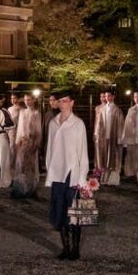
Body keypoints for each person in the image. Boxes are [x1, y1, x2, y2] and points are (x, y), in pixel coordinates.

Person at [46, 95, 89, 261]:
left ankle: (76, 249)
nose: (62, 103)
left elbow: (83, 151)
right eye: (60, 101)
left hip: (73, 172)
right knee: (60, 210)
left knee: (74, 212)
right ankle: (65, 248)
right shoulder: (53, 123)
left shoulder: (78, 124)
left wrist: (83, 178)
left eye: (65, 100)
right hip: (57, 172)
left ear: (72, 102)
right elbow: (50, 148)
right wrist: (49, 171)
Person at [10, 93, 43, 198]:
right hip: (22, 142)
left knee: (31, 167)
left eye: (29, 99)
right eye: (25, 100)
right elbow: (19, 128)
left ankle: (31, 189)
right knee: (20, 166)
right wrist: (17, 141)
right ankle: (20, 189)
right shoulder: (22, 112)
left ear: (33, 100)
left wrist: (36, 143)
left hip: (31, 142)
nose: (27, 101)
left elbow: (38, 130)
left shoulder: (37, 113)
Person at [93, 91, 123, 185]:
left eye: (109, 96)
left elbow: (120, 124)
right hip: (103, 136)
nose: (107, 98)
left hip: (113, 136)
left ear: (113, 97)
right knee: (103, 157)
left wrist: (120, 137)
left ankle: (112, 179)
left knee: (113, 157)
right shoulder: (102, 109)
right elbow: (98, 122)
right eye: (106, 96)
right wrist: (96, 133)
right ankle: (103, 178)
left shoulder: (117, 109)